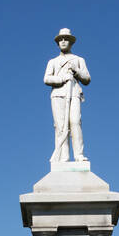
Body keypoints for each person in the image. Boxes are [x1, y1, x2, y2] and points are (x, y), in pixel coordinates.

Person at [45, 27, 90, 163]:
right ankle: (63, 157)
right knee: (60, 127)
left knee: (75, 122)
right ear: (58, 43)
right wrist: (61, 79)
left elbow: (87, 78)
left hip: (74, 92)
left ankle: (79, 155)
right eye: (61, 39)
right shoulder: (52, 62)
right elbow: (46, 79)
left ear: (71, 42)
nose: (63, 41)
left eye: (66, 39)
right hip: (58, 94)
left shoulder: (78, 59)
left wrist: (76, 70)